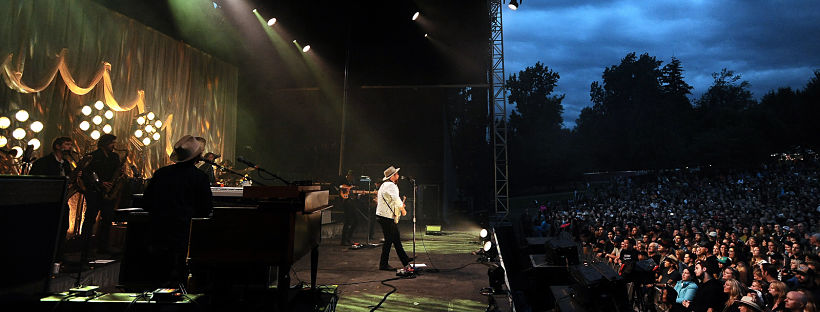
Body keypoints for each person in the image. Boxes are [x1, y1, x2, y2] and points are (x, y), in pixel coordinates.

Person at [142, 135, 213, 287]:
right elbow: (205, 209)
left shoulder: (161, 173)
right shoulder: (200, 178)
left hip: (158, 234)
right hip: (184, 236)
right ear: (198, 157)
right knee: (180, 279)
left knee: (157, 278)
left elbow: (146, 203)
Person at [29, 137, 75, 261]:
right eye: (67, 144)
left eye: (70, 145)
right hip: (48, 201)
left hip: (62, 201)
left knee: (63, 227)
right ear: (57, 146)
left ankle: (58, 256)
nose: (69, 147)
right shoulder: (44, 162)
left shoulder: (65, 164)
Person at [79, 133, 120, 256]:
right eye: (112, 143)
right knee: (90, 219)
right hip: (94, 191)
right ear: (105, 143)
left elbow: (116, 171)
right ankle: (84, 248)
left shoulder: (115, 156)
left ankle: (103, 246)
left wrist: (117, 177)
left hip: (108, 192)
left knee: (107, 220)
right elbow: (87, 173)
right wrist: (100, 183)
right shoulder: (92, 156)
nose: (114, 146)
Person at [375, 166, 411, 271]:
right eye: (396, 174)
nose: (398, 175)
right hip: (386, 217)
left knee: (396, 239)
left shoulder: (384, 185)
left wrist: (399, 207)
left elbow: (390, 200)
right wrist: (403, 210)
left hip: (383, 216)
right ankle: (383, 264)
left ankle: (405, 259)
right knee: (389, 241)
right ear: (392, 176)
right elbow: (396, 199)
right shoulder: (391, 186)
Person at [338, 169, 362, 245]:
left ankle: (348, 238)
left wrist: (358, 195)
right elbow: (339, 186)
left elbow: (353, 192)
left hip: (352, 202)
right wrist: (347, 188)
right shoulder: (343, 180)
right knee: (348, 221)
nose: (352, 178)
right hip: (346, 203)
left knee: (356, 221)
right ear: (349, 175)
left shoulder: (352, 182)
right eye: (351, 177)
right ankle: (344, 240)